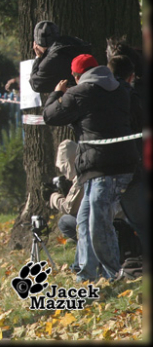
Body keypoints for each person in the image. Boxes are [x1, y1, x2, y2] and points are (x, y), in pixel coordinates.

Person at [43, 54, 140, 282]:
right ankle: (86, 276)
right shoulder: (121, 89)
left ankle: (114, 275)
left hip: (103, 169)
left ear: (77, 76)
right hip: (120, 163)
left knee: (97, 223)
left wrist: (57, 93)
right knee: (84, 221)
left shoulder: (78, 93)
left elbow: (49, 116)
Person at [108, 54, 148, 272]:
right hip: (133, 166)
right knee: (139, 219)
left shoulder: (100, 94)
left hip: (109, 168)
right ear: (131, 75)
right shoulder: (132, 96)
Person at [29, 21, 92, 93]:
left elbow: (35, 85)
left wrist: (38, 58)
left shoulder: (50, 60)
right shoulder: (75, 44)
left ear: (38, 45)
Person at [49, 139, 83, 271]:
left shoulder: (81, 177)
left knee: (66, 222)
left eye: (63, 166)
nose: (63, 171)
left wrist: (53, 197)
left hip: (106, 222)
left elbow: (70, 207)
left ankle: (78, 267)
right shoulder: (85, 172)